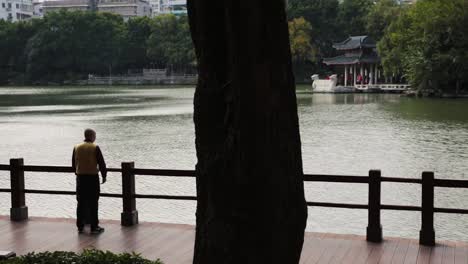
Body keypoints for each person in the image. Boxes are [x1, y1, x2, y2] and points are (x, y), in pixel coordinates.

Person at [72, 128, 107, 234]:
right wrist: (104, 175)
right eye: (94, 135)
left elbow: (73, 163)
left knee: (81, 202)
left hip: (81, 178)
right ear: (91, 136)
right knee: (93, 202)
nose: (95, 137)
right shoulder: (95, 147)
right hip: (92, 178)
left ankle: (80, 225)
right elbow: (101, 163)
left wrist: (76, 172)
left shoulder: (76, 147)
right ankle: (94, 226)